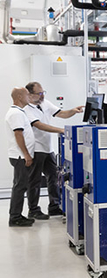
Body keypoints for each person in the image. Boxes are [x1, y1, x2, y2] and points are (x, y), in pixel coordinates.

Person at [24, 82, 83, 219]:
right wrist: (61, 130)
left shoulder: (44, 103)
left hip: (47, 148)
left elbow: (61, 113)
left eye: (43, 92)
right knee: (35, 180)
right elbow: (39, 125)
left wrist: (73, 111)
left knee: (54, 177)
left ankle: (54, 206)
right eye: (39, 93)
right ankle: (33, 210)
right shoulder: (26, 109)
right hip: (36, 148)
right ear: (30, 95)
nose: (42, 95)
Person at [6, 88, 36, 227]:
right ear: (19, 96)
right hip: (20, 156)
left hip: (20, 155)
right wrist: (26, 154)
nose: (29, 96)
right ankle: (15, 217)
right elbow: (18, 134)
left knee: (20, 185)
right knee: (20, 186)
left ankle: (16, 215)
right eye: (27, 94)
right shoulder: (16, 113)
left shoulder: (19, 112)